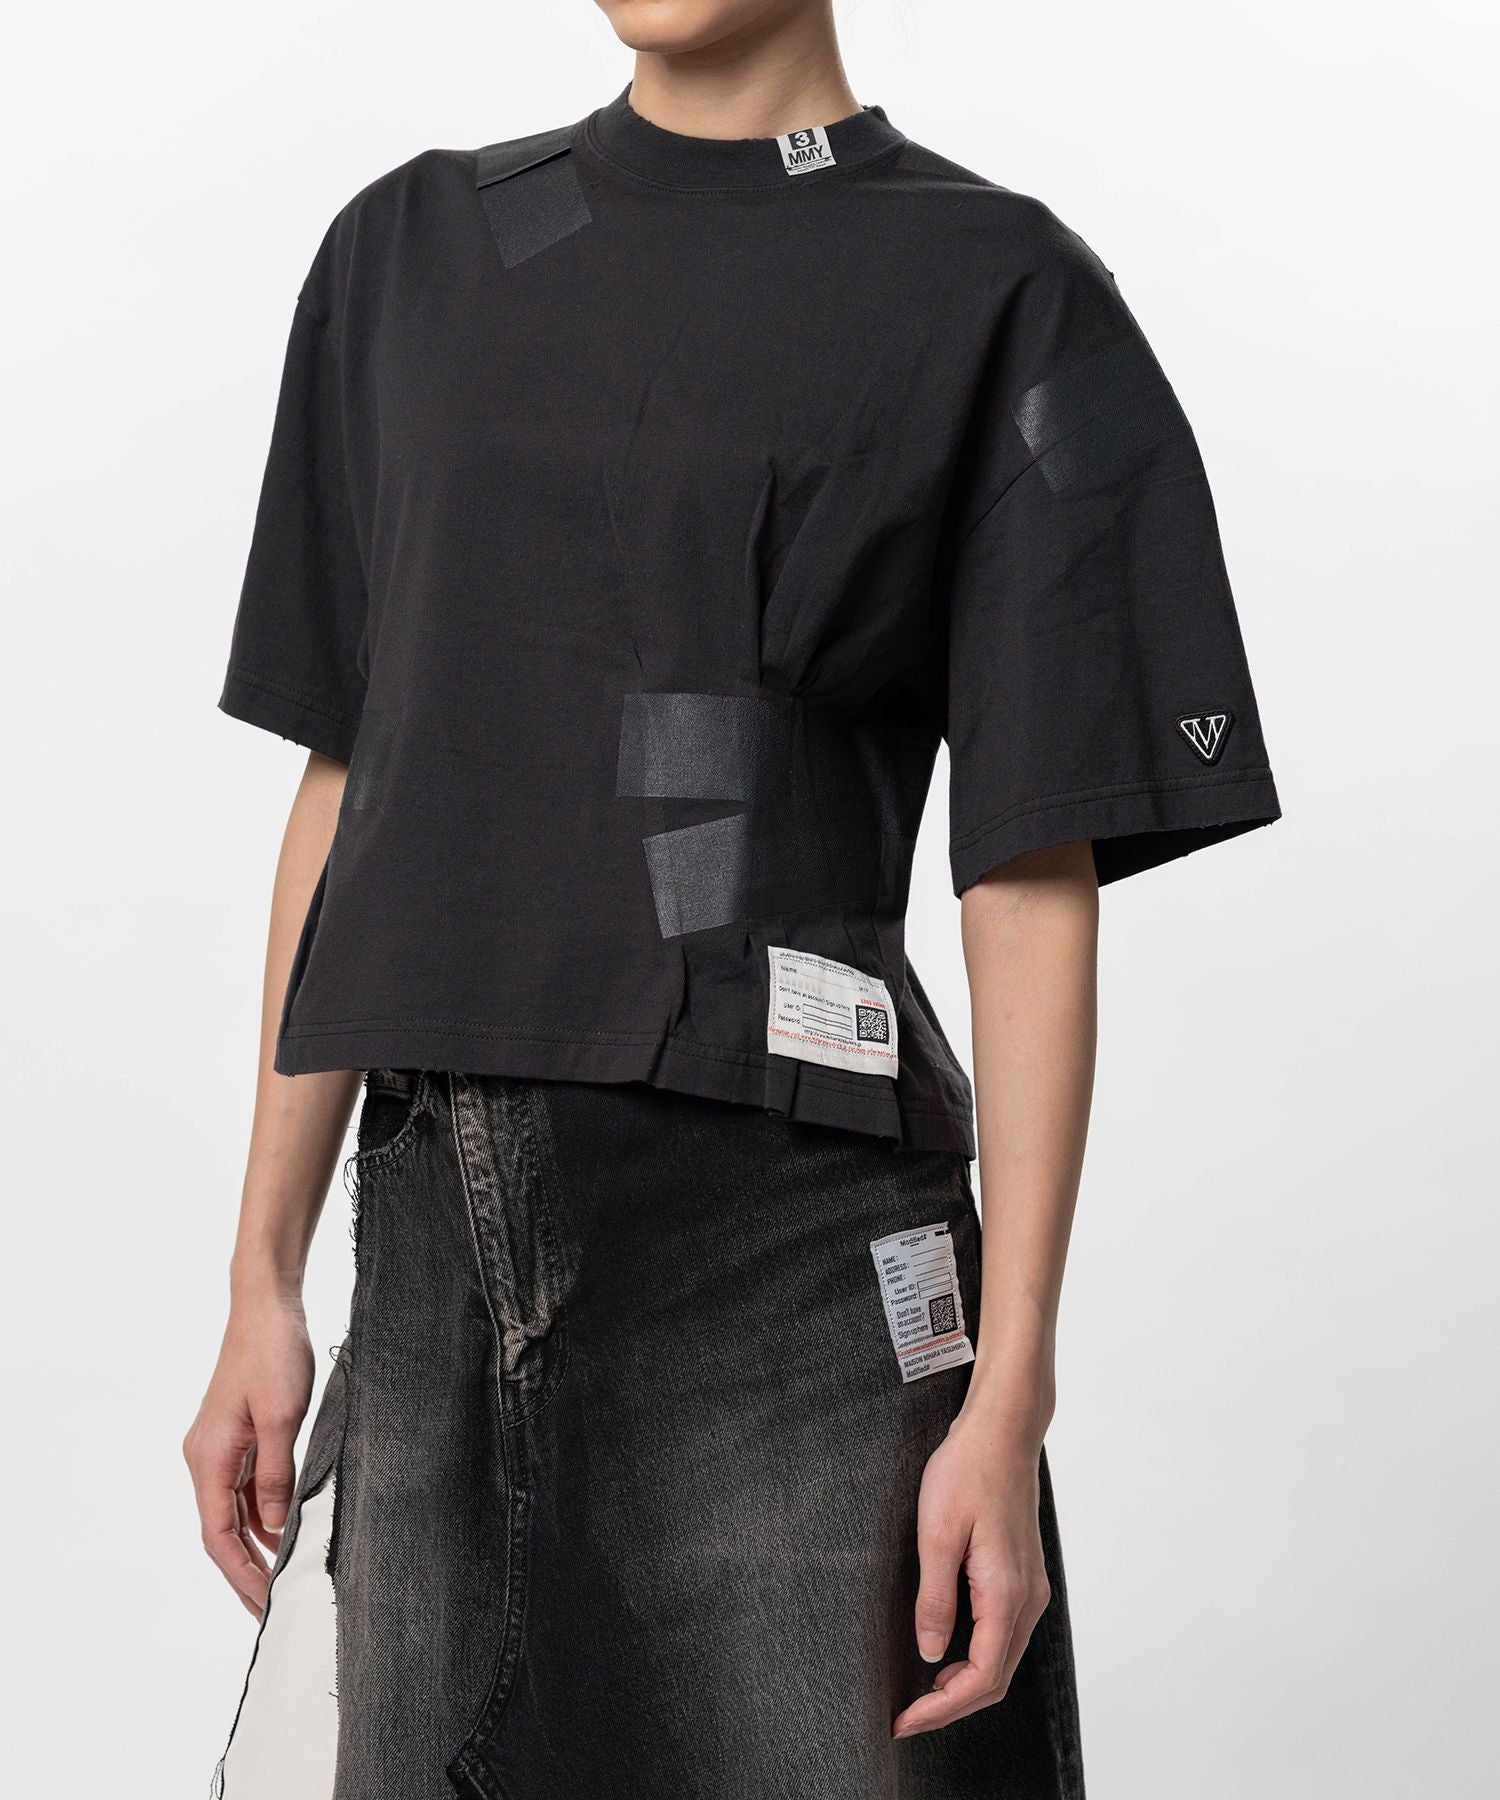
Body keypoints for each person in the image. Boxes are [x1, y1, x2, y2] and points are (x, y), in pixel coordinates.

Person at [184, 2, 1280, 1795]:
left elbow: (1031, 869)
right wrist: (263, 1272)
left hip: (792, 1262)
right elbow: (352, 779)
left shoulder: (995, 288)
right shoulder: (418, 252)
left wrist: (1010, 1389)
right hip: (437, 1233)